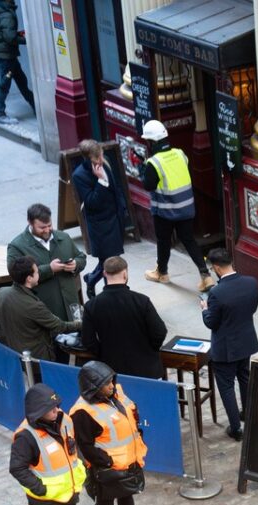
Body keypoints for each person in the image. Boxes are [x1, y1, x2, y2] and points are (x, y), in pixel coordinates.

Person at [68, 361, 154, 505]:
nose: (111, 386)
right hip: (105, 469)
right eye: (106, 383)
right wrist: (107, 462)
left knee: (127, 494)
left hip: (127, 461)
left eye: (111, 381)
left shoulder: (115, 395)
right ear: (93, 388)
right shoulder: (82, 412)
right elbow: (85, 445)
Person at [137, 119, 208, 289]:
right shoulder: (180, 154)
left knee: (163, 241)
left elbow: (149, 185)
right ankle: (205, 275)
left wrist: (143, 170)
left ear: (151, 141)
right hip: (186, 208)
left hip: (165, 212)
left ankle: (162, 273)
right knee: (189, 240)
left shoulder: (153, 163)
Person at [76, 256, 166, 389]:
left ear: (104, 274)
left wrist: (103, 353)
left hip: (112, 373)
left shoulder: (92, 305)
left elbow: (88, 340)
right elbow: (160, 332)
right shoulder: (142, 301)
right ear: (125, 273)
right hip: (147, 370)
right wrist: (149, 349)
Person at [201, 245, 258, 440]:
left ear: (217, 268)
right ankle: (248, 415)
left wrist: (204, 309)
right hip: (246, 342)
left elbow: (211, 322)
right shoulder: (251, 283)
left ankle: (235, 428)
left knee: (226, 387)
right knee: (244, 378)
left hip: (225, 348)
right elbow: (252, 309)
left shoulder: (216, 293)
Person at [7, 203, 84, 325]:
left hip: (71, 305)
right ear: (30, 223)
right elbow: (15, 275)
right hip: (44, 308)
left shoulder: (63, 237)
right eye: (42, 227)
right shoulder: (17, 246)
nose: (47, 230)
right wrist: (50, 269)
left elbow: (81, 257)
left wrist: (76, 264)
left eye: (49, 225)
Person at [69, 142, 126, 301]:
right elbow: (92, 202)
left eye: (101, 154)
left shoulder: (104, 162)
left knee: (107, 261)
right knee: (110, 261)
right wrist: (101, 181)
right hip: (101, 225)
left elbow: (116, 186)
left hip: (115, 219)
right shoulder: (79, 175)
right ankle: (114, 295)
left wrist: (122, 206)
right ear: (87, 158)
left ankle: (92, 279)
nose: (101, 159)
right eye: (97, 157)